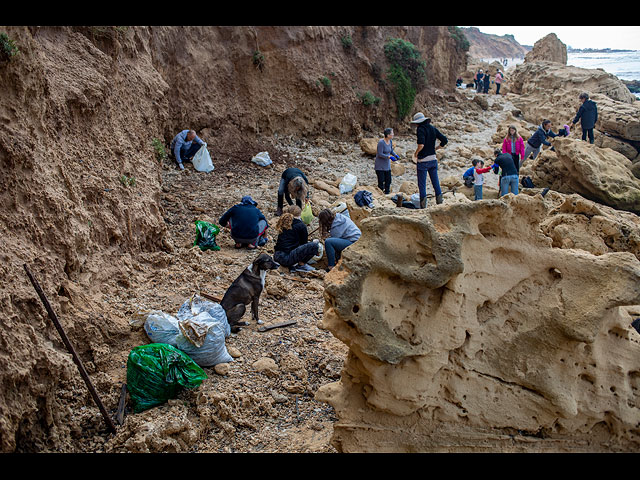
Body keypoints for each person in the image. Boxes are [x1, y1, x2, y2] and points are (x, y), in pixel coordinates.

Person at [411, 112, 448, 208]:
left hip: (423, 161)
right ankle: (440, 203)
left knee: (422, 184)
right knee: (435, 181)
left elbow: (421, 145)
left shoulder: (420, 129)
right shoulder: (432, 128)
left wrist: (416, 153)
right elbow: (444, 140)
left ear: (417, 123)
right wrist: (437, 148)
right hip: (433, 160)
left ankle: (423, 207)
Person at [273, 205, 319, 272]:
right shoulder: (301, 225)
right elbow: (304, 243)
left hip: (277, 256)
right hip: (287, 259)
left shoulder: (284, 222)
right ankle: (301, 265)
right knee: (314, 245)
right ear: (300, 213)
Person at [375, 128, 398, 195]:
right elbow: (380, 154)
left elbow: (391, 150)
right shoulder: (381, 142)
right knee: (381, 181)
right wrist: (389, 157)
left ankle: (387, 194)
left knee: (388, 180)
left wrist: (395, 155)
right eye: (392, 133)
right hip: (380, 165)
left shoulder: (390, 141)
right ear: (388, 135)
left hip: (387, 165)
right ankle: (380, 194)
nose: (393, 135)